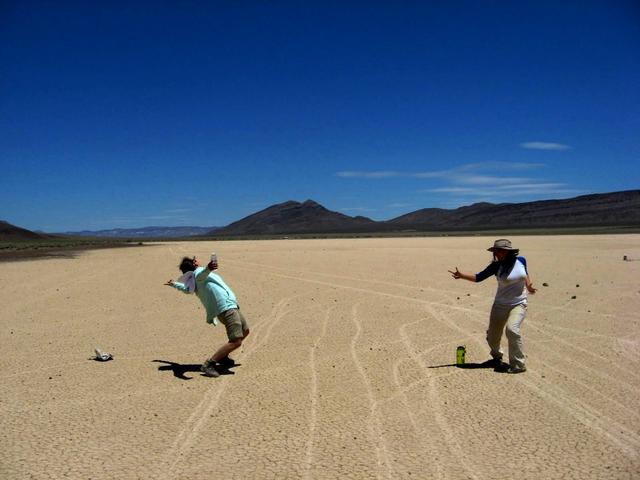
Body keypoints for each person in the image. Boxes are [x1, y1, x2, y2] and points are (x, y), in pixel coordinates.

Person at [448, 239, 536, 374]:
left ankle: (518, 364)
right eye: (496, 251)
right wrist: (461, 275)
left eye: (500, 251)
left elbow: (525, 273)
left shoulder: (521, 260)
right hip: (500, 305)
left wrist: (528, 285)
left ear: (508, 251)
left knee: (512, 330)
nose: (498, 254)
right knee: (493, 336)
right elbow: (478, 277)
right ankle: (496, 357)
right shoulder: (496, 266)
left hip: (519, 303)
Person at [165, 255, 250, 377]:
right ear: (195, 264)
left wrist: (174, 284)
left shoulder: (193, 280)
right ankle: (209, 364)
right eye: (196, 260)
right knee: (236, 341)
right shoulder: (199, 273)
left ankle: (223, 357)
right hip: (226, 308)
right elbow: (202, 274)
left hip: (230, 306)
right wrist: (208, 268)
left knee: (245, 331)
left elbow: (187, 289)